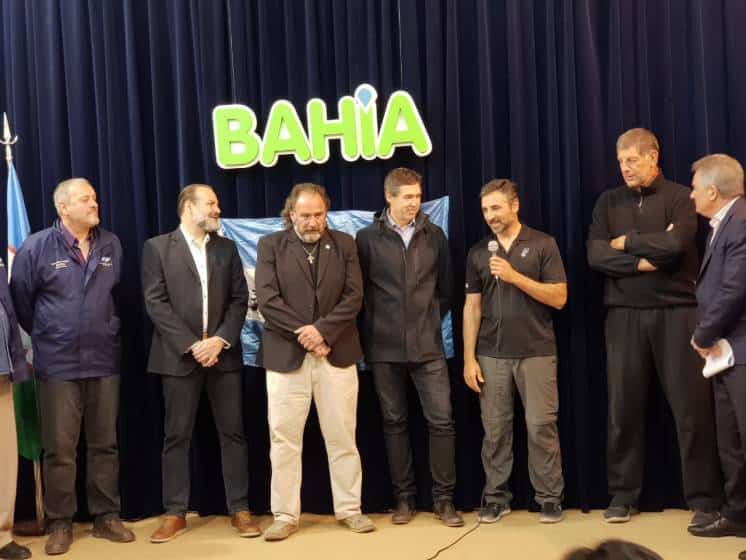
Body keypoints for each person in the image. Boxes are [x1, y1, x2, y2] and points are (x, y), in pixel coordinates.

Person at [587, 128, 722, 526]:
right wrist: (647, 257)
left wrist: (626, 242)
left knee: (691, 408)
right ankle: (623, 494)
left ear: (653, 156)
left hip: (678, 314)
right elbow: (595, 254)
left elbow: (678, 245)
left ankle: (704, 498)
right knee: (623, 408)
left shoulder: (682, 197)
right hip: (624, 315)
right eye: (621, 162)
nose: (625, 168)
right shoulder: (607, 202)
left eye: (632, 160)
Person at [10, 178, 134, 555]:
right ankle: (60, 521)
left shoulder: (111, 244)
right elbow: (22, 303)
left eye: (94, 197)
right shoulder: (36, 247)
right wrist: (52, 333)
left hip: (103, 360)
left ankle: (106, 515)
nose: (94, 204)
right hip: (58, 363)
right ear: (63, 208)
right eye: (85, 199)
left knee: (105, 444)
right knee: (60, 449)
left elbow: (116, 295)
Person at [256, 183, 375, 541]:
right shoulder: (270, 246)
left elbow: (354, 297)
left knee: (342, 437)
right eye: (305, 215)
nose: (313, 222)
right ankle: (285, 515)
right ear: (291, 214)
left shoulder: (345, 244)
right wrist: (305, 333)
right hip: (286, 357)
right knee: (284, 439)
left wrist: (322, 332)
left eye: (319, 214)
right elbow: (267, 298)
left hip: (335, 354)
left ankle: (350, 509)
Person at [141, 184, 257, 542]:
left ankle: (240, 508)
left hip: (222, 356)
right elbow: (155, 303)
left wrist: (219, 341)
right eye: (211, 203)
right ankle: (175, 512)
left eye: (217, 203)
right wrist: (193, 345)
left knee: (234, 434)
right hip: (179, 358)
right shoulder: (157, 248)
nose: (217, 209)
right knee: (177, 436)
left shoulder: (227, 248)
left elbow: (240, 300)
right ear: (188, 208)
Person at [356, 167, 461, 527]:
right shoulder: (366, 238)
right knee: (394, 423)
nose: (414, 203)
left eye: (417, 196)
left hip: (428, 346)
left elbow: (446, 290)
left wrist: (427, 319)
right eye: (407, 197)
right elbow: (362, 294)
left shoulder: (435, 235)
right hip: (383, 349)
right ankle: (404, 499)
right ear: (389, 197)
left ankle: (444, 501)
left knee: (442, 422)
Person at [463, 179, 567, 524]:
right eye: (485, 210)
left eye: (496, 207)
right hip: (491, 355)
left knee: (541, 426)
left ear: (514, 205)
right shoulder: (479, 251)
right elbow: (471, 308)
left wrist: (515, 276)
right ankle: (495, 496)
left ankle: (549, 497)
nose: (490, 215)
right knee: (495, 430)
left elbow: (559, 297)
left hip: (536, 351)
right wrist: (468, 358)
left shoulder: (542, 244)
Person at [686, 154, 746, 542]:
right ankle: (739, 515)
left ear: (712, 190)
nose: (691, 195)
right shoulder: (720, 225)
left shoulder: (741, 222)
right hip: (728, 352)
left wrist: (702, 334)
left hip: (741, 349)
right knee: (731, 442)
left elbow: (735, 289)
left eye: (694, 187)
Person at [0, 258, 32, 560]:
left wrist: (17, 363)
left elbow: (8, 310)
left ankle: (2, 535)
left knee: (4, 458)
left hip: (1, 372)